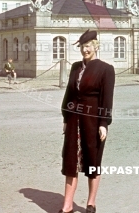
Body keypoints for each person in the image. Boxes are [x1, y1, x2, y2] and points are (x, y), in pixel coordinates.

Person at [60, 30, 115, 213]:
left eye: (88, 46)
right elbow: (69, 93)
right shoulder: (76, 67)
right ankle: (67, 205)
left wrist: (104, 123)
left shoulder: (106, 69)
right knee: (70, 161)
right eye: (83, 47)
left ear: (95, 47)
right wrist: (66, 117)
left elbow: (107, 99)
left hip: (93, 120)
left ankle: (91, 203)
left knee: (93, 160)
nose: (85, 50)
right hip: (74, 118)